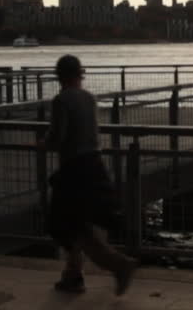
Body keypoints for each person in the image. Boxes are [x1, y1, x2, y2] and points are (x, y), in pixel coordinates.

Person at [45, 54, 137, 295]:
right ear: (80, 74)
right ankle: (74, 274)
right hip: (95, 164)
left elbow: (58, 138)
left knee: (63, 224)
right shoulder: (89, 98)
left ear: (59, 76)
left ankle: (117, 264)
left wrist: (41, 143)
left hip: (74, 169)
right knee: (79, 223)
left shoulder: (61, 100)